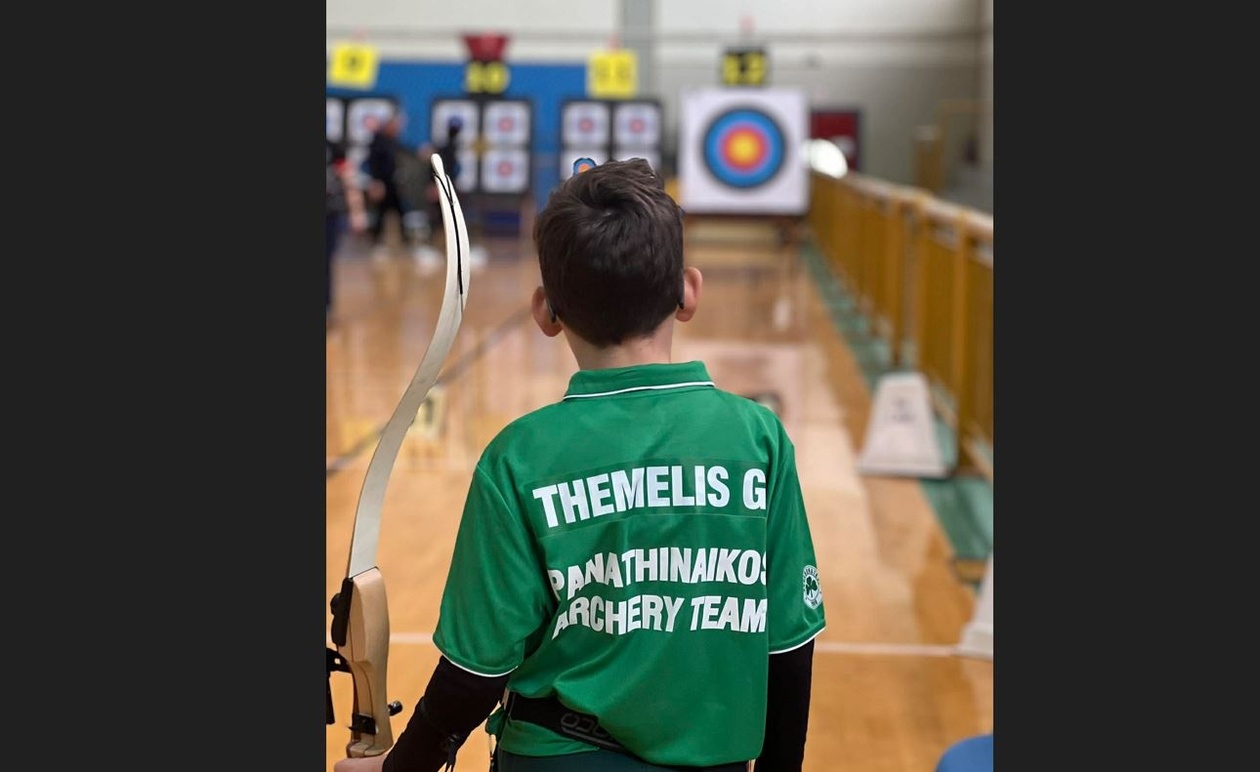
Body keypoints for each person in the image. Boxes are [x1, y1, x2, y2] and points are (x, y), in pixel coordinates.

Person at [334, 158, 826, 772]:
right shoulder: (759, 441)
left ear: (546, 311)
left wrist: (399, 768)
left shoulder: (521, 455)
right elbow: (790, 647)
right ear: (688, 291)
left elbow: (477, 666)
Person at [365, 111, 421, 261]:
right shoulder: (378, 141)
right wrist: (376, 182)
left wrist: (420, 152)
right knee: (381, 215)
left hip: (393, 185)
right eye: (395, 125)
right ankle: (377, 245)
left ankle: (406, 244)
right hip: (382, 185)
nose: (398, 128)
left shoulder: (393, 142)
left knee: (400, 213)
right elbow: (372, 163)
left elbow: (406, 150)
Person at [327, 136, 367, 328]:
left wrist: (357, 211)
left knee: (326, 261)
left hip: (329, 214)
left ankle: (326, 307)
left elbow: (349, 179)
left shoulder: (333, 148)